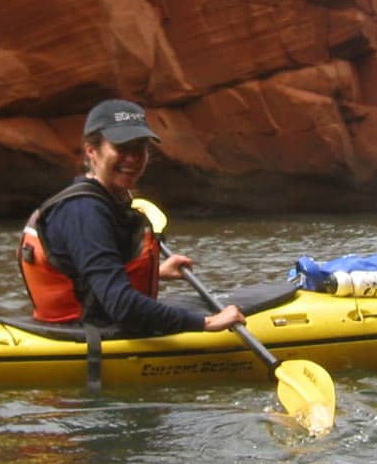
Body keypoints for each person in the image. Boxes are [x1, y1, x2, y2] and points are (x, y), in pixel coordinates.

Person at [18, 99, 245, 335]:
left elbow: (87, 274)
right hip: (86, 337)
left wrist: (155, 272)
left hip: (88, 323)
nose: (133, 158)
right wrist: (205, 323)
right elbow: (122, 306)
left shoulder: (103, 200)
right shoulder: (85, 211)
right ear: (91, 151)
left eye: (139, 148)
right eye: (122, 148)